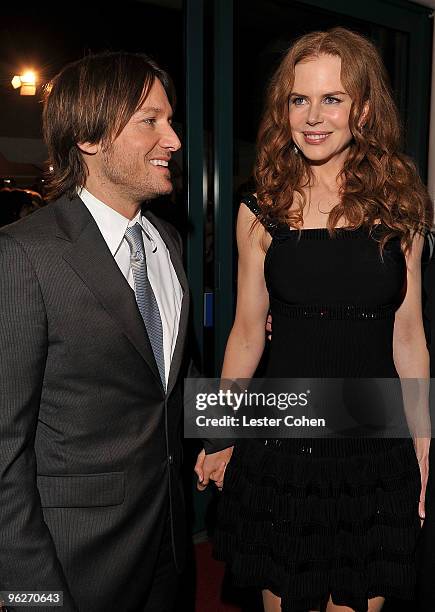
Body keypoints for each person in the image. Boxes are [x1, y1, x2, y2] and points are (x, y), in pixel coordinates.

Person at [195, 27, 432, 612]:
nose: (312, 117)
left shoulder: (402, 205)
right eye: (299, 99)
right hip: (284, 442)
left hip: (376, 445)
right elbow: (247, 333)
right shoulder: (261, 206)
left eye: (332, 98)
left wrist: (426, 444)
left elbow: (409, 335)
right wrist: (220, 433)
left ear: (365, 109)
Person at [0, 52, 188, 612]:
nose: (173, 139)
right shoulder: (24, 255)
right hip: (74, 564)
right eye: (150, 121)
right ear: (88, 137)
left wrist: (234, 428)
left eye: (169, 119)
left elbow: (158, 383)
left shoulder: (166, 244)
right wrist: (32, 597)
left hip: (170, 549)